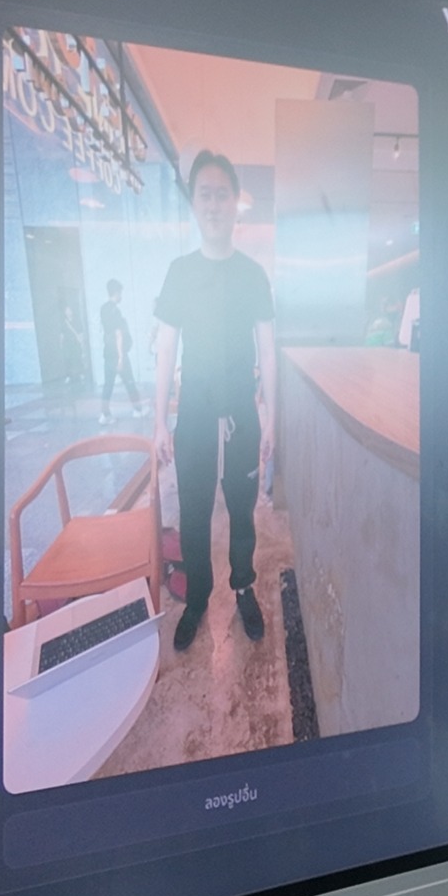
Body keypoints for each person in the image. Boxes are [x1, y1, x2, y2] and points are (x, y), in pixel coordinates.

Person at [153, 151, 277, 652]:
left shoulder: (252, 274)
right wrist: (157, 422)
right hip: (194, 418)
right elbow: (165, 349)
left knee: (243, 512)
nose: (213, 204)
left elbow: (268, 349)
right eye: (204, 194)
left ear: (234, 201)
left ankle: (244, 587)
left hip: (243, 417)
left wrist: (273, 418)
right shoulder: (179, 272)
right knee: (194, 515)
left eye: (221, 194)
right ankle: (198, 598)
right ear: (194, 202)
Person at [99, 278, 146, 424]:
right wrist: (120, 357)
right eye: (120, 293)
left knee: (108, 385)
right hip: (118, 354)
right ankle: (138, 410)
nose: (121, 296)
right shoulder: (115, 311)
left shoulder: (103, 309)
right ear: (117, 292)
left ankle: (105, 414)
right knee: (129, 382)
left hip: (108, 353)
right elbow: (118, 334)